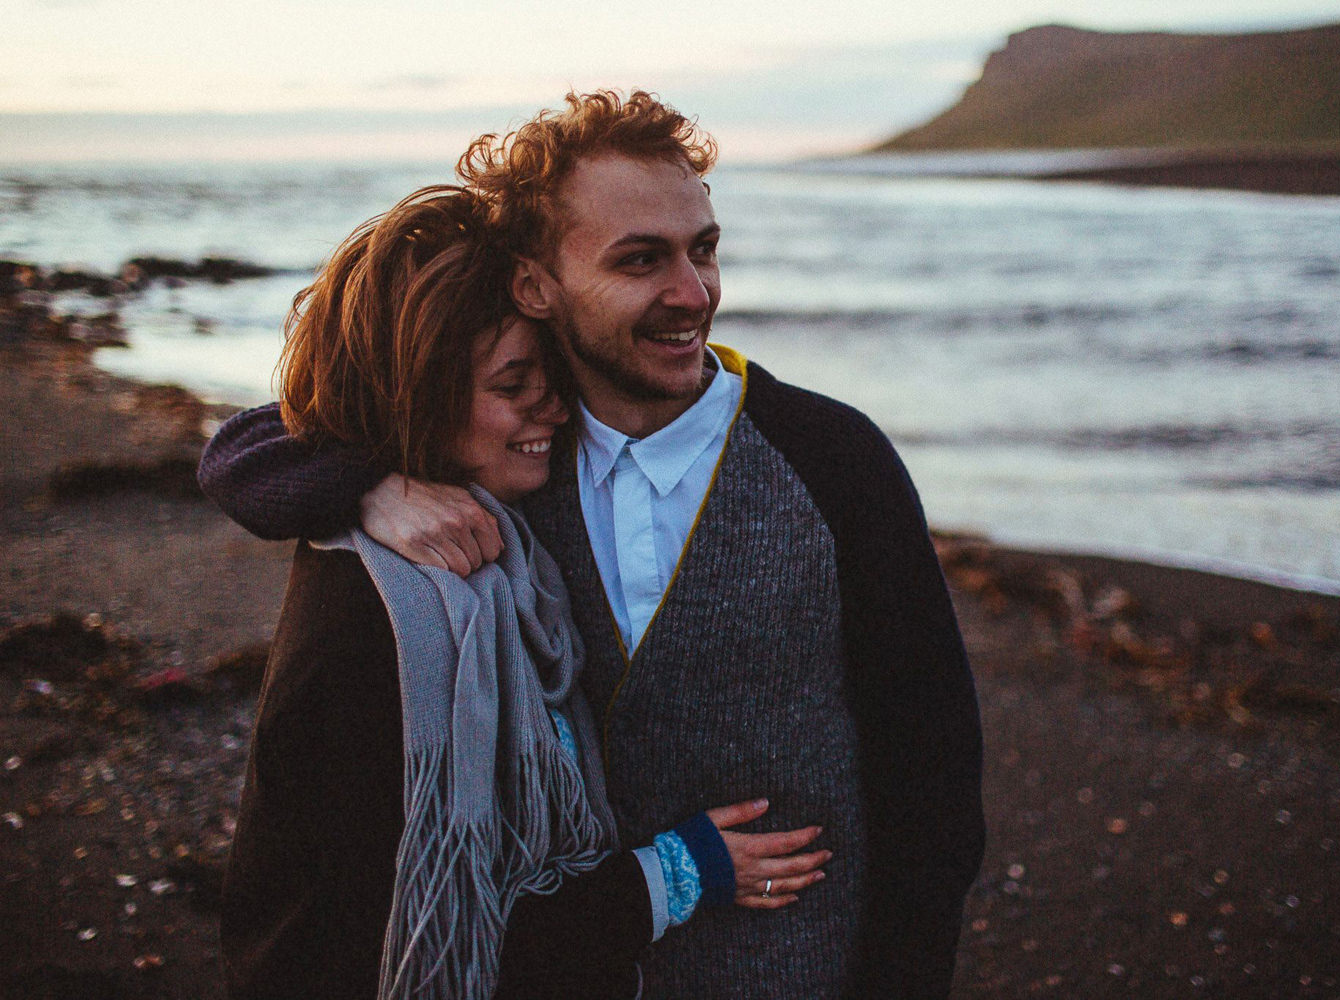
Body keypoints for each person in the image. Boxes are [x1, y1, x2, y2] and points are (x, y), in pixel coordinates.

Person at [201, 91, 985, 999]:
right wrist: (364, 482)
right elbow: (258, 442)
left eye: (704, 249)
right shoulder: (506, 458)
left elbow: (933, 771)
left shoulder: (834, 460)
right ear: (536, 285)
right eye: (641, 259)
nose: (693, 295)